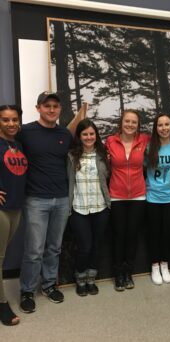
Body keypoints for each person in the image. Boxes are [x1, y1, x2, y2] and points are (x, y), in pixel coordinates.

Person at [18, 92, 72, 313]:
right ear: (38, 107)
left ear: (59, 109)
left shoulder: (65, 134)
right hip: (35, 200)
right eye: (47, 106)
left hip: (61, 198)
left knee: (54, 247)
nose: (52, 110)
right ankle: (27, 291)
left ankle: (49, 285)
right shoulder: (25, 132)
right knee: (34, 250)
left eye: (55, 106)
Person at [105, 110, 149, 291]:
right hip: (116, 195)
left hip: (138, 195)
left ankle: (128, 272)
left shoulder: (144, 140)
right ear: (121, 123)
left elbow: (168, 132)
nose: (130, 125)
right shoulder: (110, 141)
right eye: (127, 121)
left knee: (132, 236)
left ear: (138, 125)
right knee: (119, 235)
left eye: (134, 122)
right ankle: (117, 274)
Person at [67, 119, 110, 296]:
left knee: (97, 246)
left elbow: (108, 177)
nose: (89, 137)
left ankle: (91, 278)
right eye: (85, 134)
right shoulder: (70, 156)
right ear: (79, 136)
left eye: (92, 134)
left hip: (100, 207)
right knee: (85, 246)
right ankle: (80, 278)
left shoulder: (103, 154)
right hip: (79, 208)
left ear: (96, 135)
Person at [0, 105, 27, 326]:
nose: (11, 124)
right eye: (5, 120)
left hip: (16, 207)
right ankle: (2, 304)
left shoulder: (17, 144)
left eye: (14, 120)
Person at [146, 114, 170, 285]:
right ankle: (154, 266)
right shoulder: (149, 147)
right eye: (160, 125)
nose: (164, 128)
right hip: (153, 198)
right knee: (154, 234)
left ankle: (165, 264)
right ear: (156, 128)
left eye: (167, 124)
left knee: (168, 233)